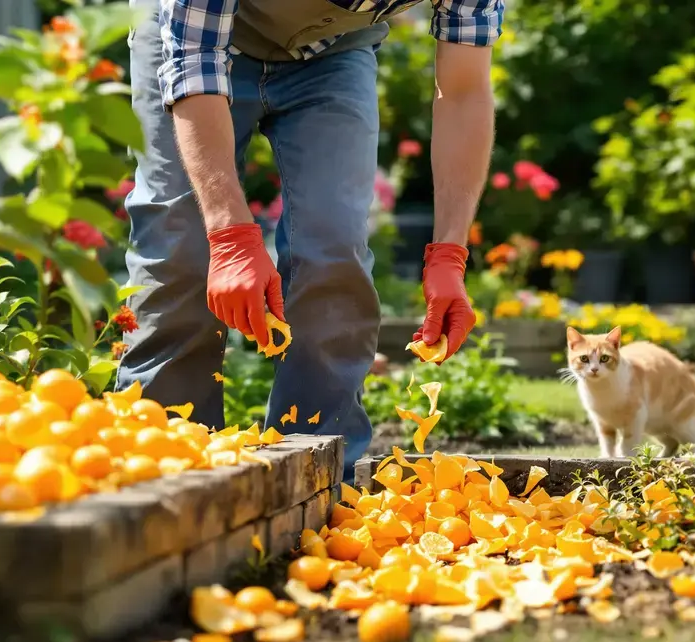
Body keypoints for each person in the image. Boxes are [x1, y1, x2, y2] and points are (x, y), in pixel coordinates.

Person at [118, 0, 501, 481]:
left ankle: (315, 483)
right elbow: (194, 60)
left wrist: (449, 254)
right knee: (181, 249)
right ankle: (163, 472)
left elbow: (464, 90)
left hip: (332, 53)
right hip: (195, 39)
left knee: (333, 254)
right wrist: (231, 236)